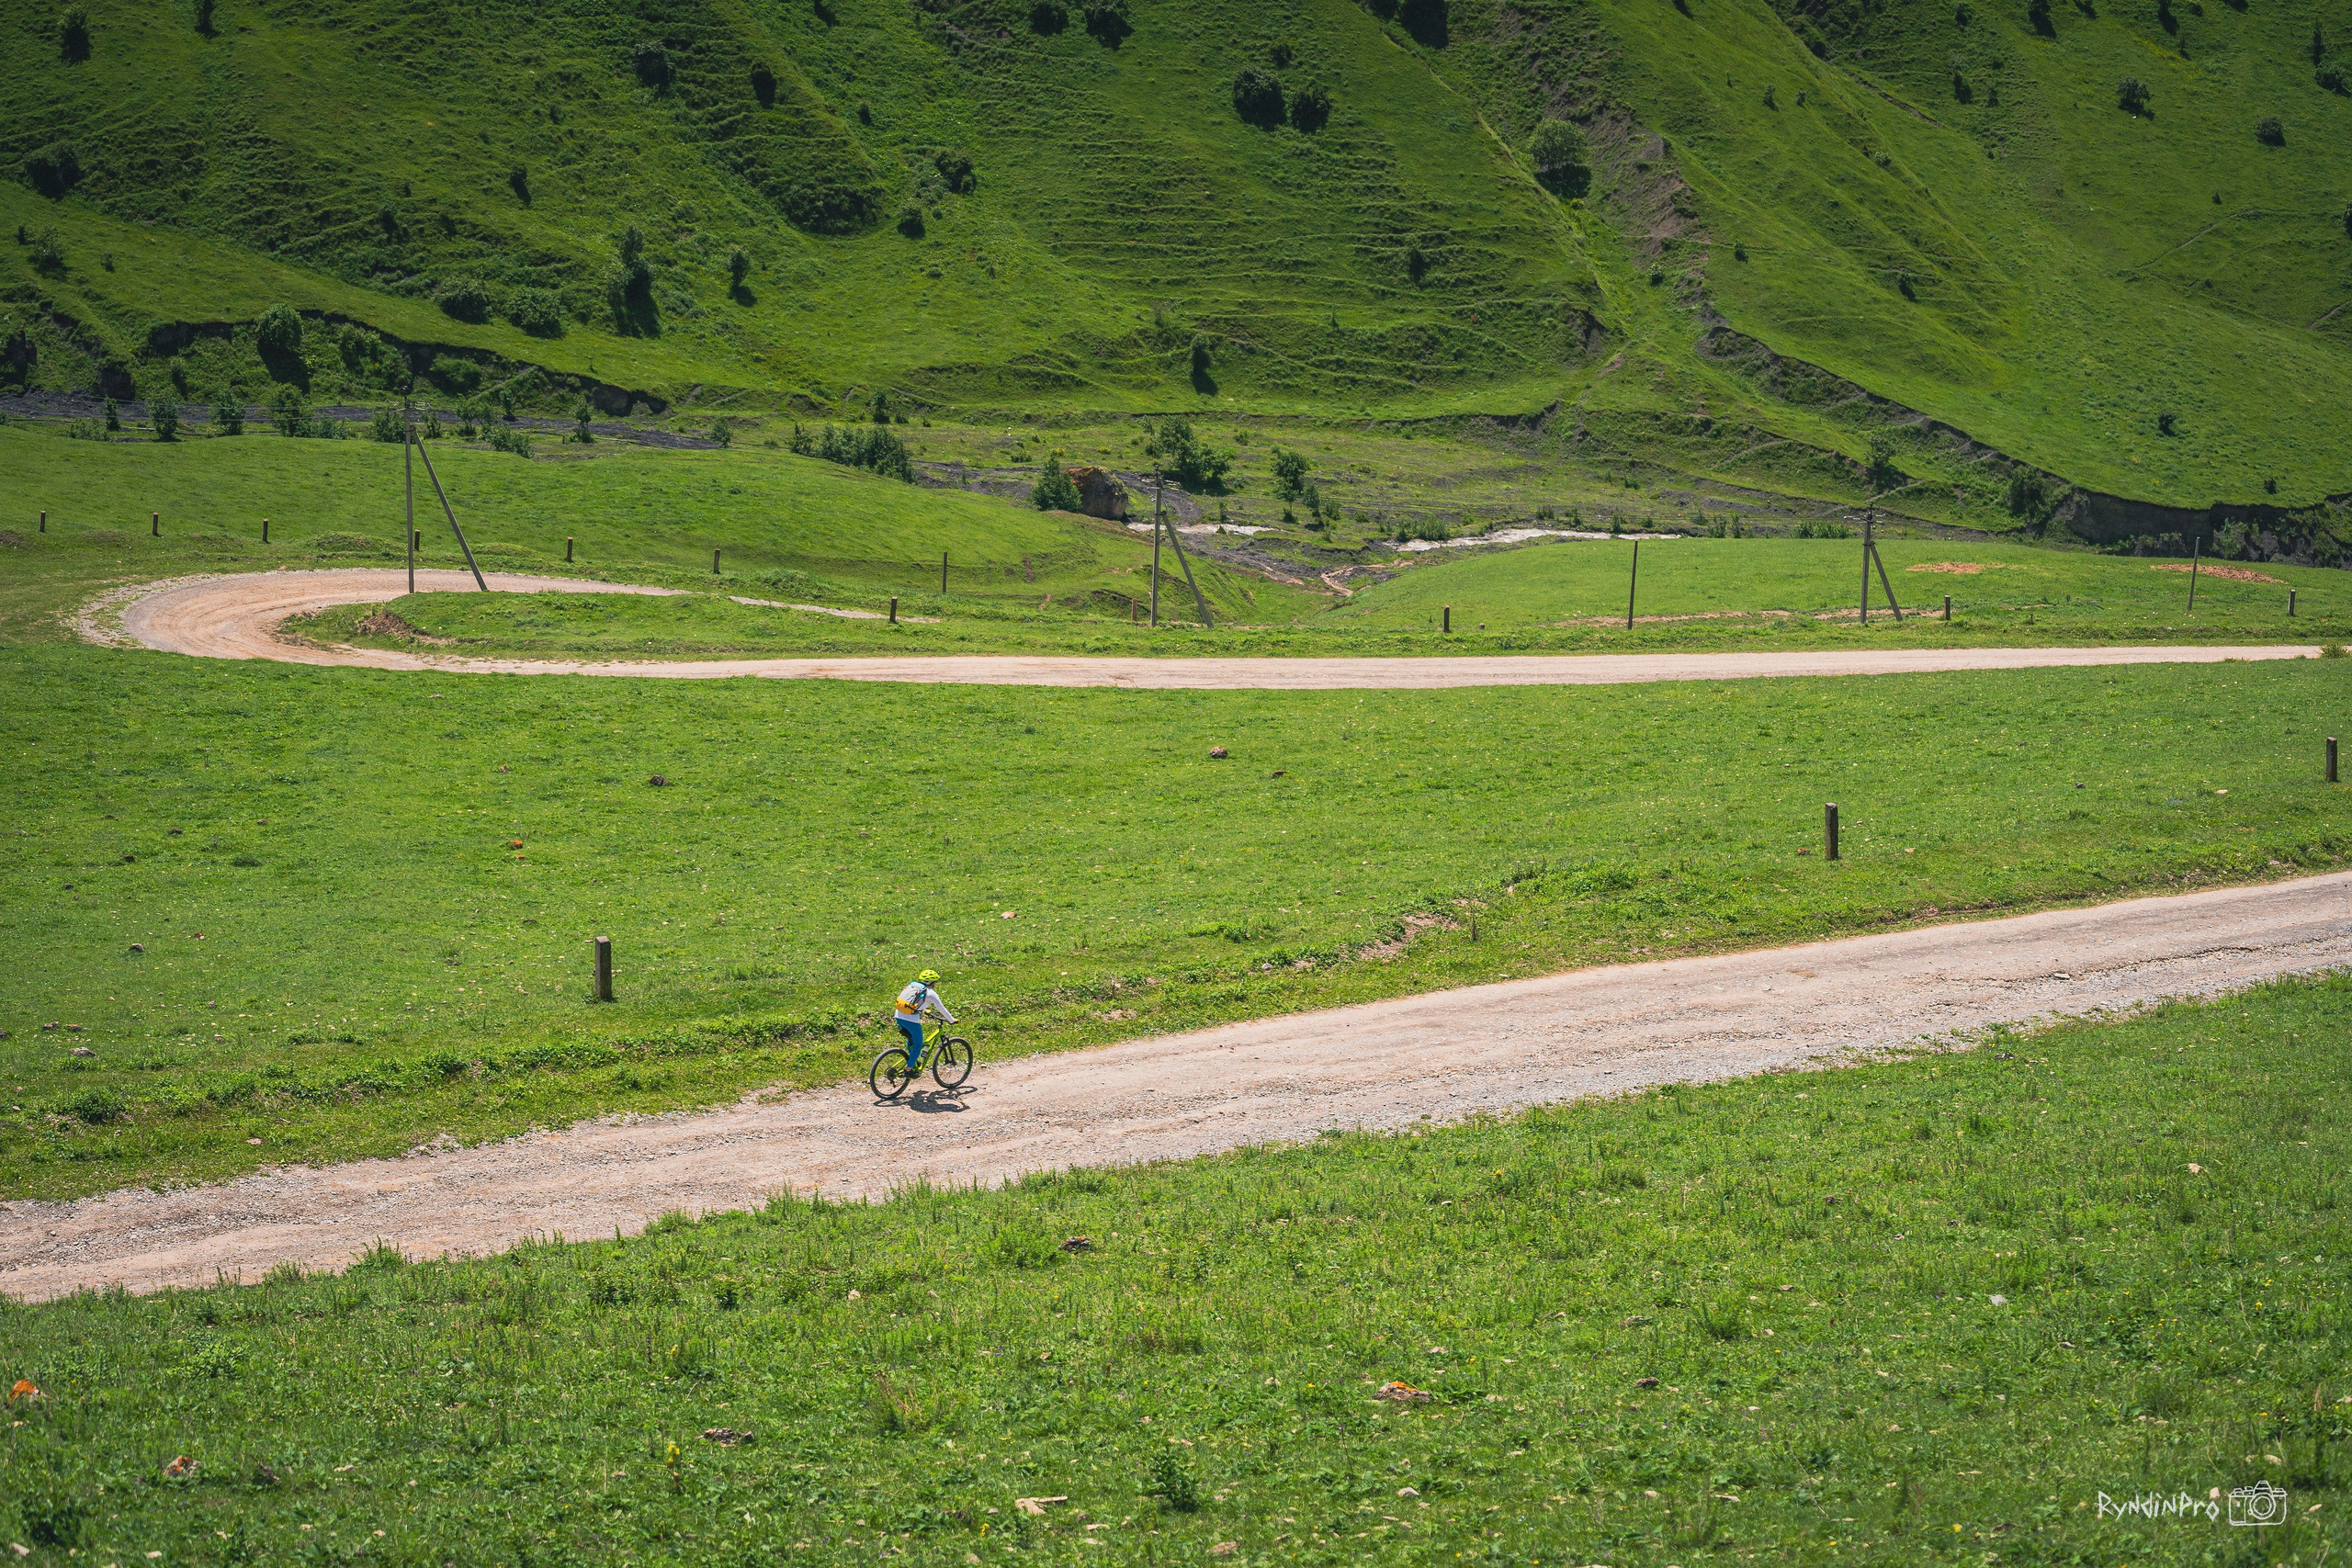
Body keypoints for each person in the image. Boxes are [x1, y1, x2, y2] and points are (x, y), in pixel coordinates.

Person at [894, 968, 955, 1074]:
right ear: (933, 983)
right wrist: (951, 1020)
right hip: (911, 1020)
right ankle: (909, 1070)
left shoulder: (912, 986)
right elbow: (942, 1009)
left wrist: (923, 1009)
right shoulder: (931, 993)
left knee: (911, 1040)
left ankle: (913, 1062)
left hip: (898, 1016)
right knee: (918, 1045)